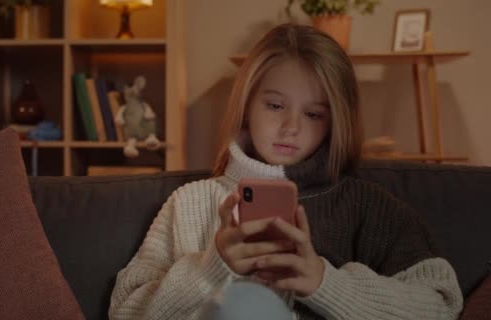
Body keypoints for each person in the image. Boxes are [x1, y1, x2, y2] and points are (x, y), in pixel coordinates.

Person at [108, 23, 463, 320]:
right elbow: (126, 311)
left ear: (335, 122)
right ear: (247, 106)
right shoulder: (189, 204)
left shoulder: (370, 208)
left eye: (313, 114)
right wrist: (210, 268)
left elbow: (441, 304)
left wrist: (324, 283)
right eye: (275, 105)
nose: (291, 126)